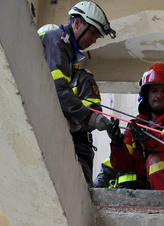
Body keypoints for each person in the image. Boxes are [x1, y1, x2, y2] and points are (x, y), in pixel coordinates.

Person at [40, 2, 116, 184]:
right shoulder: (57, 40)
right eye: (93, 33)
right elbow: (58, 89)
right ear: (77, 23)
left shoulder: (67, 52)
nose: (94, 39)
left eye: (97, 35)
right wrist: (89, 118)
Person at [109, 63, 164, 191]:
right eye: (154, 91)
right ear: (146, 95)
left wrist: (147, 139)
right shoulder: (135, 125)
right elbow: (123, 166)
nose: (159, 96)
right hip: (145, 192)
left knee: (157, 159)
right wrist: (117, 144)